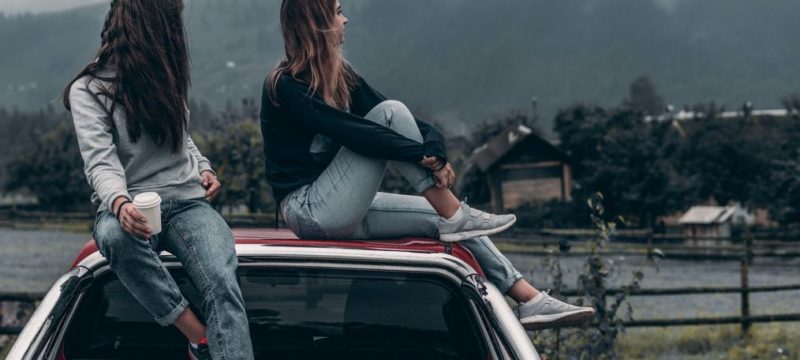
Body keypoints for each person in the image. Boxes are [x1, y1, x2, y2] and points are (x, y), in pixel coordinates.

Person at [260, 0, 595, 330]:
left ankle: (529, 299)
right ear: (316, 22)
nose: (345, 20)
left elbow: (413, 124)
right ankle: (454, 212)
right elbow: (353, 132)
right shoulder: (284, 85)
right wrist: (419, 157)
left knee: (449, 221)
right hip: (309, 209)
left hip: (342, 209)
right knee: (390, 115)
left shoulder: (340, 75)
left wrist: (436, 151)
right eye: (337, 12)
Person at [62, 1, 253, 359]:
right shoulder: (88, 90)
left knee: (222, 282)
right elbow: (100, 163)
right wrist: (119, 203)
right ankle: (198, 336)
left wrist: (204, 168)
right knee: (113, 236)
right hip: (129, 205)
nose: (178, 32)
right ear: (152, 26)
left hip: (188, 203)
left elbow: (182, 137)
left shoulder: (166, 76)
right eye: (173, 21)